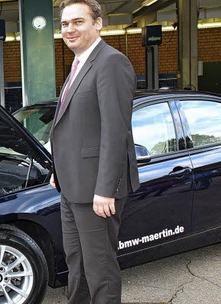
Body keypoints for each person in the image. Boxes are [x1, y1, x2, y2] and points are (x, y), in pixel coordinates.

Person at [50, 1, 139, 303]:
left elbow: (115, 132)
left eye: (78, 22)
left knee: (100, 270)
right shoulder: (78, 65)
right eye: (64, 24)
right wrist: (57, 169)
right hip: (72, 186)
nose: (69, 29)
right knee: (78, 266)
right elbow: (75, 127)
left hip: (96, 192)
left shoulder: (110, 62)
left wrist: (106, 190)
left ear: (98, 24)